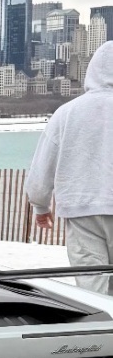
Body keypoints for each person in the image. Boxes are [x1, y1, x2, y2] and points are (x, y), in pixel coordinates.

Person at [25, 39, 113, 294]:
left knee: (92, 287)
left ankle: (98, 332)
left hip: (81, 209)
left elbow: (42, 166)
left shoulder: (67, 113)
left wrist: (40, 205)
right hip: (83, 208)